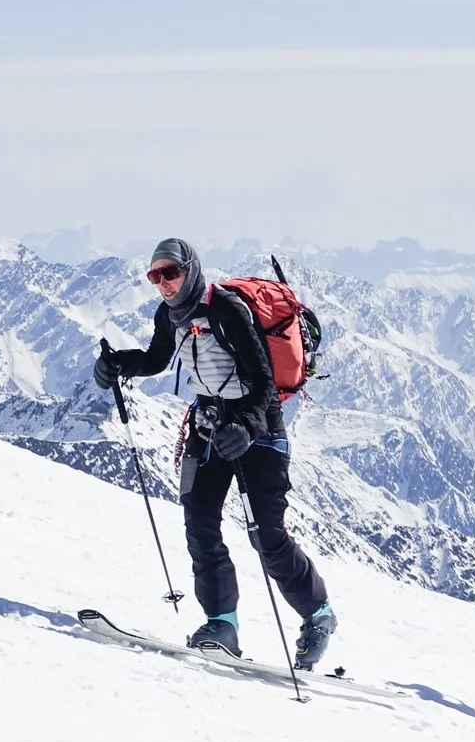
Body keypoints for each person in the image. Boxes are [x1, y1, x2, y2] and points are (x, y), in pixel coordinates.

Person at [92, 237, 338, 669]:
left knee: (267, 536)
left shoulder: (227, 310)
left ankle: (319, 615)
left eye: (171, 272)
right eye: (155, 276)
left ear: (191, 269)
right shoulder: (170, 315)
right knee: (200, 521)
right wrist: (119, 365)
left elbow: (264, 386)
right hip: (208, 427)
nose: (164, 283)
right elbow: (155, 359)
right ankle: (222, 624)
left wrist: (245, 427)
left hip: (257, 431)